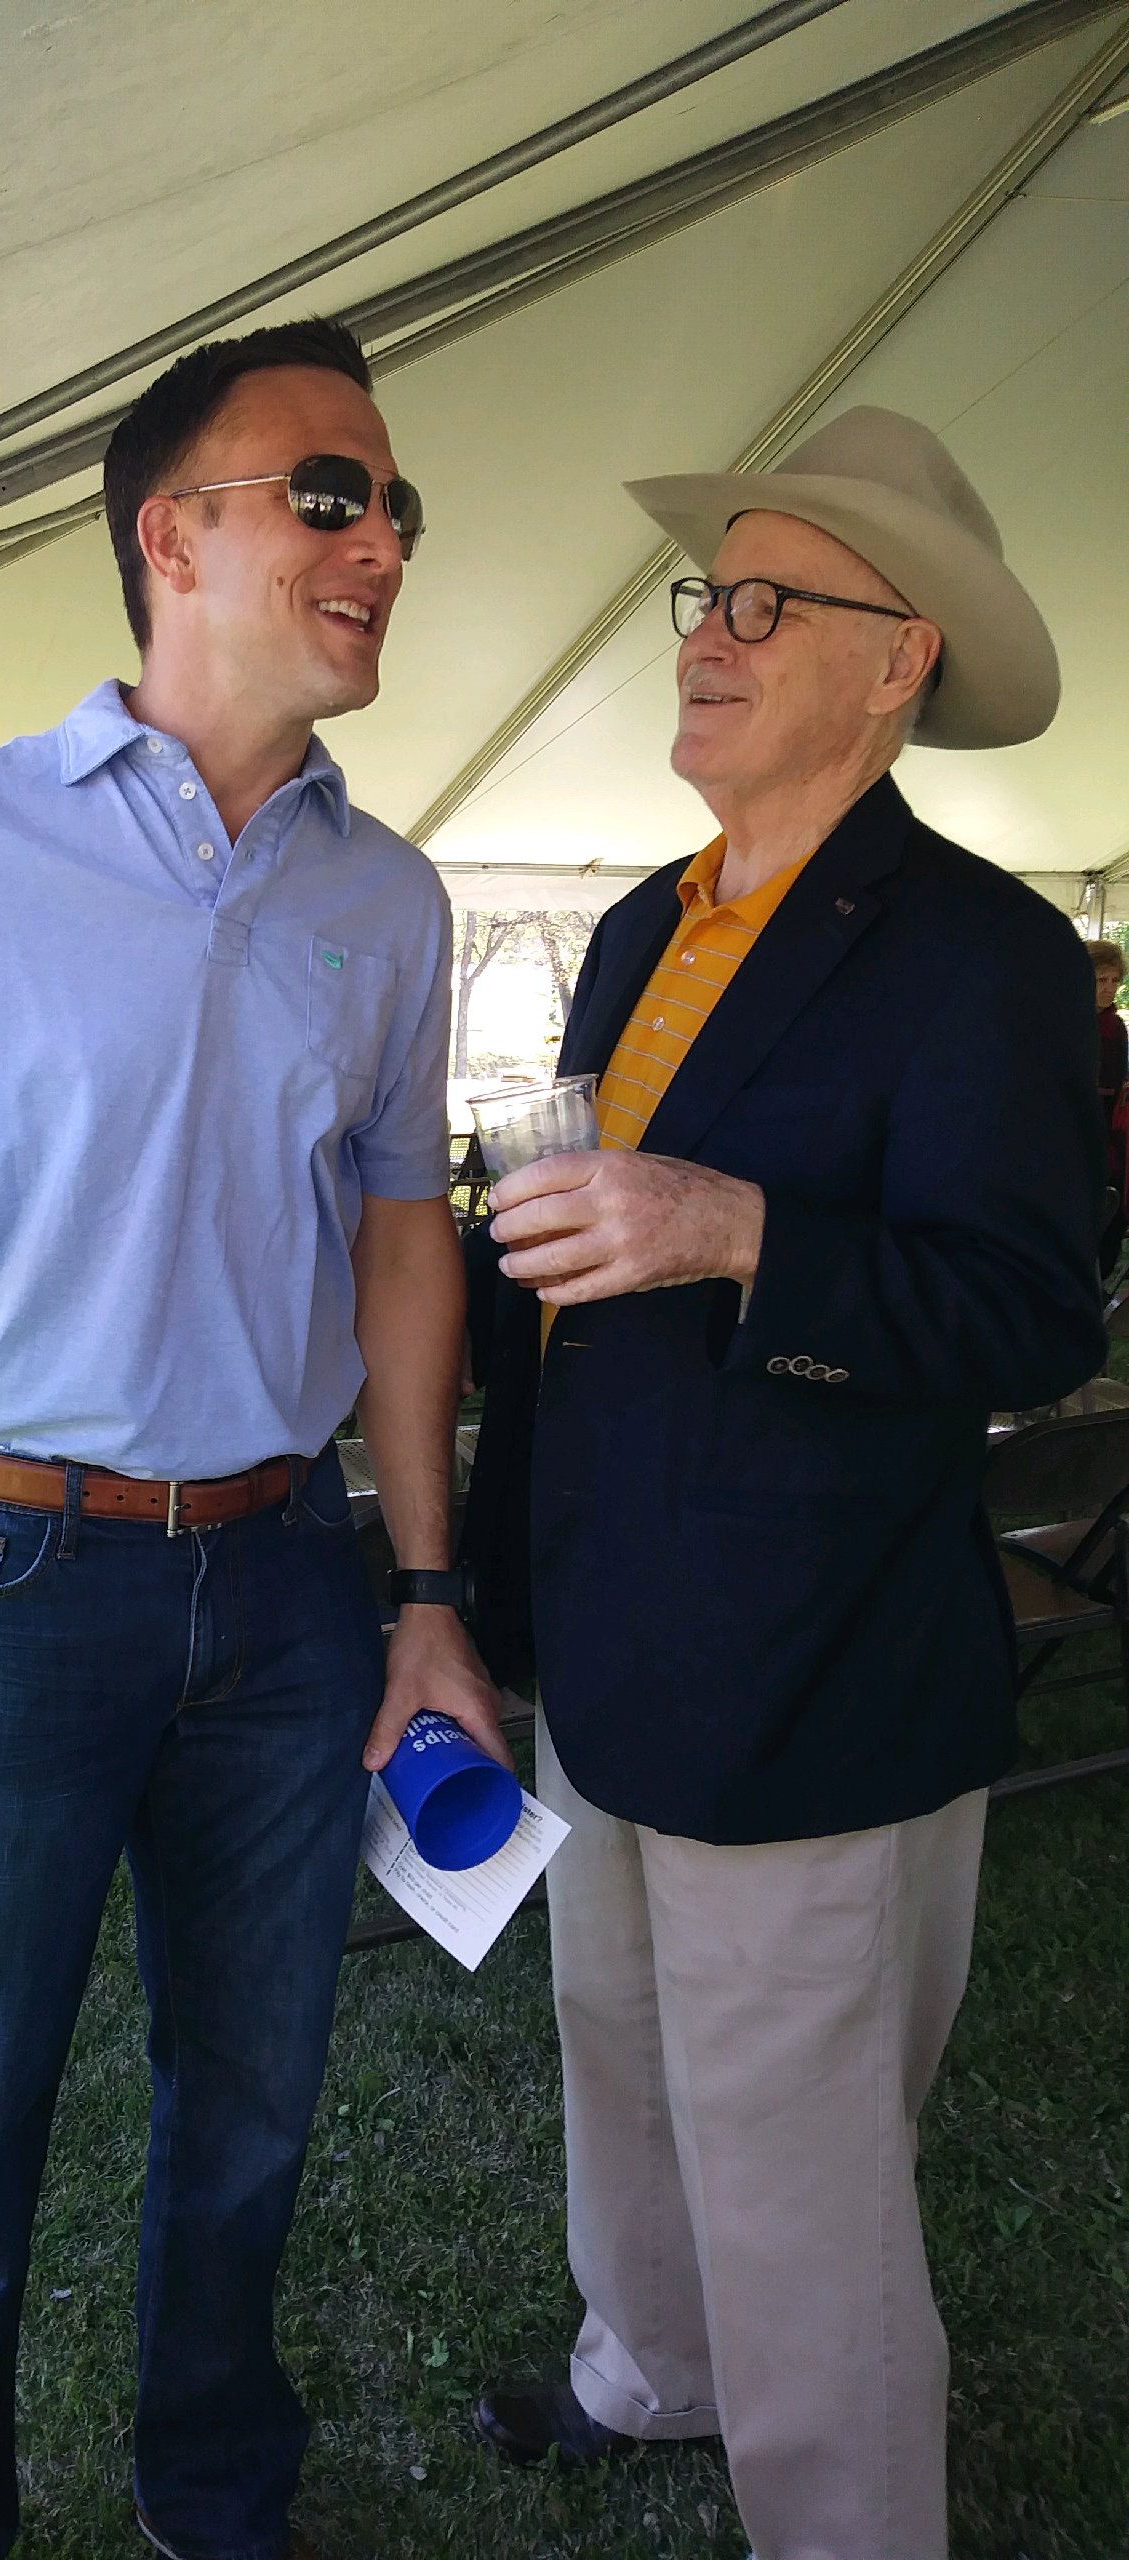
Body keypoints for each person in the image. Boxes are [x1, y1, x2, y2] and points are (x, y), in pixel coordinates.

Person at [0, 317, 501, 2560]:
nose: (383, 540)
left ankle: (215, 2496)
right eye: (331, 493)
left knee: (255, 2106)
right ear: (175, 535)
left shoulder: (388, 894)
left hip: (286, 1573)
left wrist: (428, 1591)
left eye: (397, 506)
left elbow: (404, 1244)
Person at [461, 408, 1104, 2560]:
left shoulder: (986, 955)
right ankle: (653, 2364)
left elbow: (1030, 1313)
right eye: (704, 597)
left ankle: (843, 2518)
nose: (706, 637)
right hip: (610, 1617)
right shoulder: (646, 924)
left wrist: (738, 1230)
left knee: (800, 2162)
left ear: (898, 660)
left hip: (818, 1659)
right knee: (617, 2037)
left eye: (766, 601)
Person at [1084, 935, 1125, 1276]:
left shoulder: (1116, 1026)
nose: (1109, 988)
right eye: (1101, 980)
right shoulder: (1068, 1021)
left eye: (1115, 980)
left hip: (1109, 1123)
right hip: (1077, 1121)